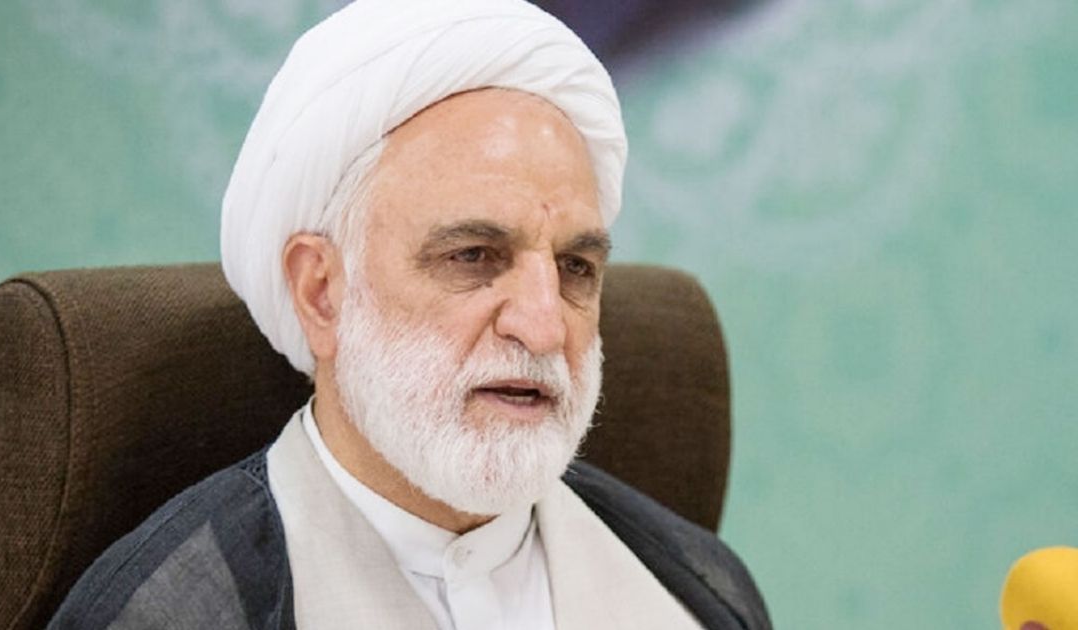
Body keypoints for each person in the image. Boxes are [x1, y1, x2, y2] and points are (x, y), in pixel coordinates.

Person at [49, 1, 770, 628]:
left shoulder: (700, 592)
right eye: (473, 256)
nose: (545, 328)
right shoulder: (171, 610)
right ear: (321, 292)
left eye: (575, 267)